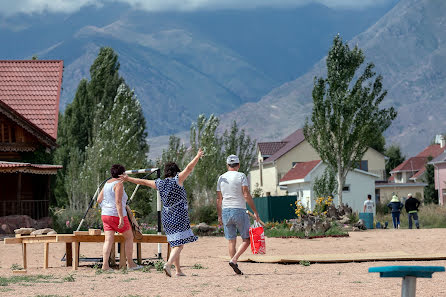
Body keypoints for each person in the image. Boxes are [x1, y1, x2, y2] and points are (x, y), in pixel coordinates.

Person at [120, 149, 203, 277]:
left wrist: (127, 178)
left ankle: (178, 270)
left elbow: (141, 182)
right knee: (179, 245)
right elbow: (189, 167)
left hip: (166, 217)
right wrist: (197, 156)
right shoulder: (178, 180)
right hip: (178, 215)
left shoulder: (160, 183)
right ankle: (168, 264)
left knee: (175, 243)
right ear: (176, 171)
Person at [217, 154, 260, 275]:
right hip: (239, 210)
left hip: (225, 211)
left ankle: (234, 264)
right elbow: (246, 194)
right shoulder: (241, 176)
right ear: (238, 165)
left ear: (227, 165)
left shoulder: (221, 178)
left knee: (231, 241)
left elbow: (218, 199)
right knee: (246, 239)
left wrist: (219, 215)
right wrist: (255, 211)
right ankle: (234, 259)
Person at [97, 164, 140, 271]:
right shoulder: (119, 184)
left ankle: (105, 266)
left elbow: (98, 199)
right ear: (122, 174)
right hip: (115, 214)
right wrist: (121, 217)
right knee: (129, 237)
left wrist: (105, 207)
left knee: (108, 240)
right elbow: (118, 202)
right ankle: (130, 264)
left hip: (105, 214)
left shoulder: (107, 183)